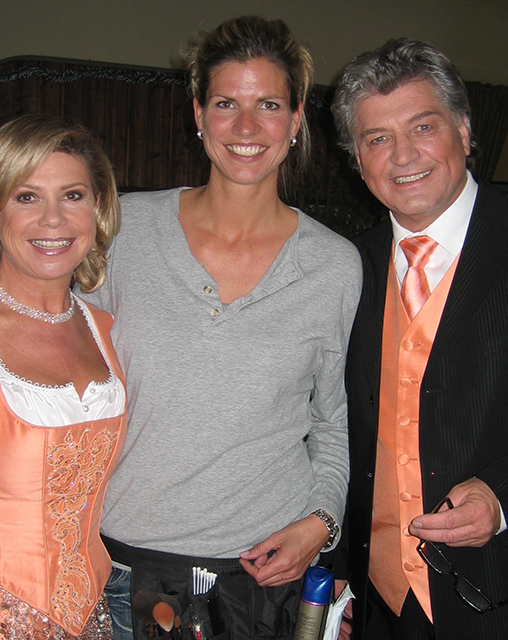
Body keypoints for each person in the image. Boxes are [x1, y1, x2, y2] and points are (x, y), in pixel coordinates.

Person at [83, 15, 362, 640]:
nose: (246, 127)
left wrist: (321, 523)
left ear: (296, 120)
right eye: (226, 103)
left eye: (269, 105)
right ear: (199, 114)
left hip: (264, 581)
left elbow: (334, 422)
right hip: (126, 568)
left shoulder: (335, 266)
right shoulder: (122, 232)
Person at [331, 38, 508, 640]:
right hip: (379, 605)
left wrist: (507, 495)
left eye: (423, 126)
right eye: (377, 138)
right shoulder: (342, 268)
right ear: (356, 159)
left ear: (463, 130)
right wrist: (336, 565)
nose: (403, 155)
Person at [0, 114, 127, 639]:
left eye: (72, 195)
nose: (53, 219)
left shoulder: (103, 330)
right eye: (26, 197)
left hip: (90, 614)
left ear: (97, 209)